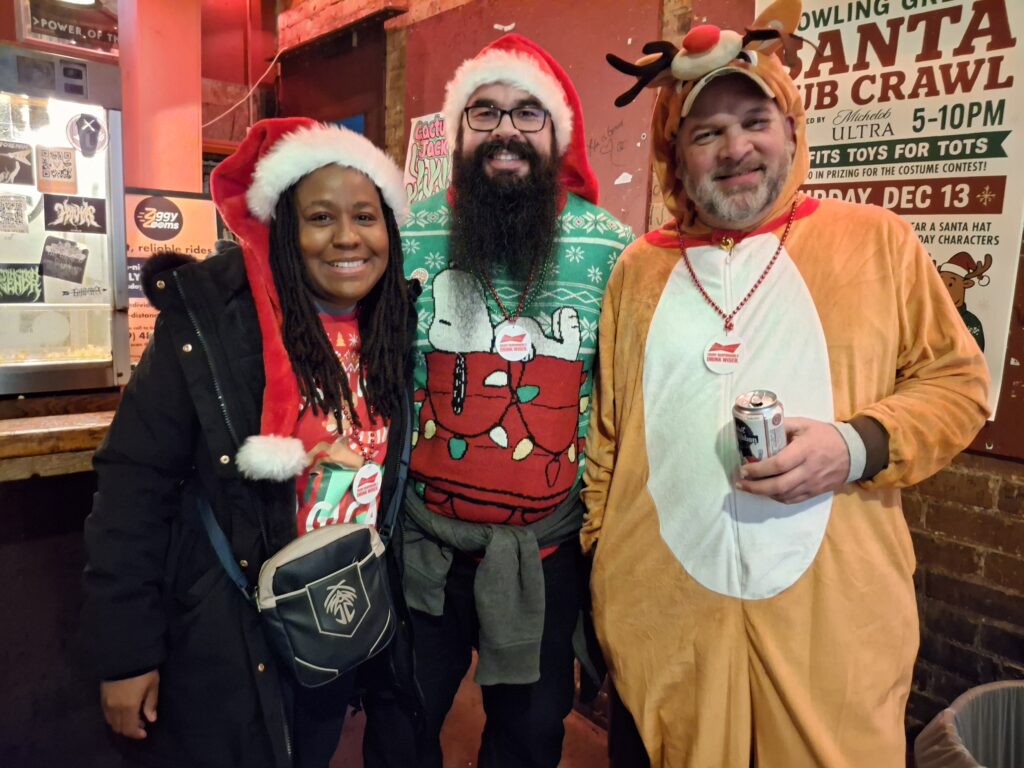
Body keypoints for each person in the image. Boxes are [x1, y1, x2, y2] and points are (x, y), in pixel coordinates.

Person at [584, 5, 990, 767]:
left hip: (830, 632)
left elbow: (957, 382)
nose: (735, 148)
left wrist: (855, 445)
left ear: (793, 130)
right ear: (677, 156)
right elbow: (609, 434)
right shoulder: (638, 270)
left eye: (754, 121)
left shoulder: (875, 242)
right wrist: (604, 559)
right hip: (664, 631)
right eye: (706, 133)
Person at [81, 117, 415, 768]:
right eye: (320, 217)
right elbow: (132, 487)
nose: (347, 237)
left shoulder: (395, 322)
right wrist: (125, 653)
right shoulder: (214, 319)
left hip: (332, 621)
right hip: (227, 641)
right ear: (284, 228)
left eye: (366, 216)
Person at [361, 33, 634, 768]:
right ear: (457, 132)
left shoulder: (614, 248)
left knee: (530, 737)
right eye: (484, 113)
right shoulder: (404, 231)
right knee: (399, 728)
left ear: (556, 136)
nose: (506, 130)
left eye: (527, 114)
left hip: (545, 553)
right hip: (421, 546)